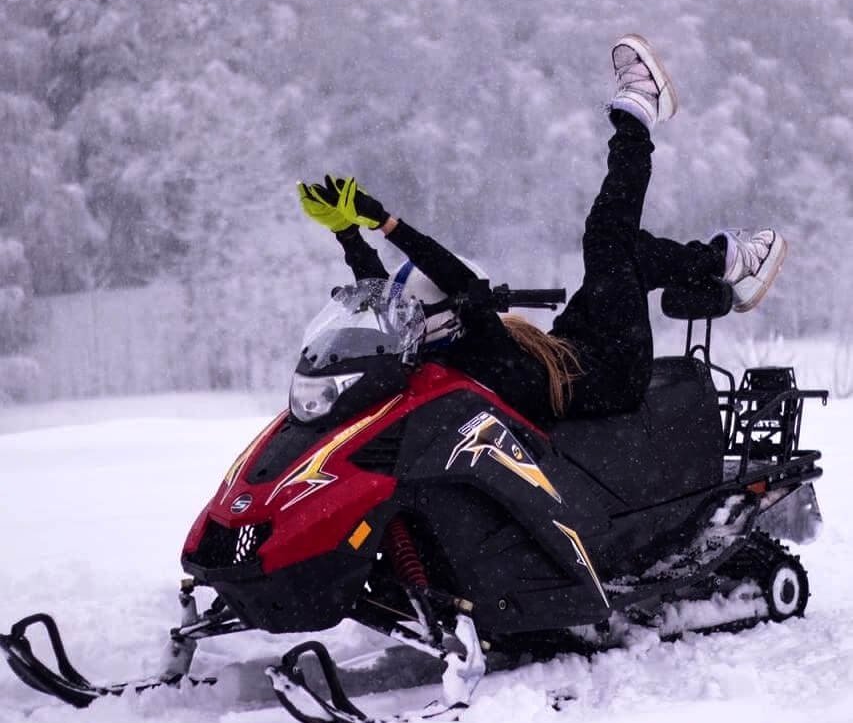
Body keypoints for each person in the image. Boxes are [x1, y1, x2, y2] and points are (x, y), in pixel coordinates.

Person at [298, 34, 786, 428]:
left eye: (411, 316)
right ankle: (637, 116)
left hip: (578, 346)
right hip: (613, 371)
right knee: (607, 240)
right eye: (410, 317)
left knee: (628, 251)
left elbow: (379, 297)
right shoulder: (474, 354)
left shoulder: (448, 352)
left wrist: (348, 234)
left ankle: (727, 263)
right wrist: (387, 224)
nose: (401, 322)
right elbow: (450, 283)